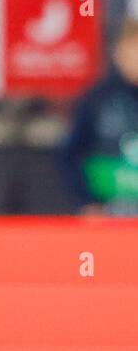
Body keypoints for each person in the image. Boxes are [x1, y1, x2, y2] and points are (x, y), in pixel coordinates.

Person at [56, 18, 138, 216]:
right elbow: (69, 153)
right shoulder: (97, 97)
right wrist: (87, 201)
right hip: (110, 209)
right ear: (119, 52)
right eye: (133, 50)